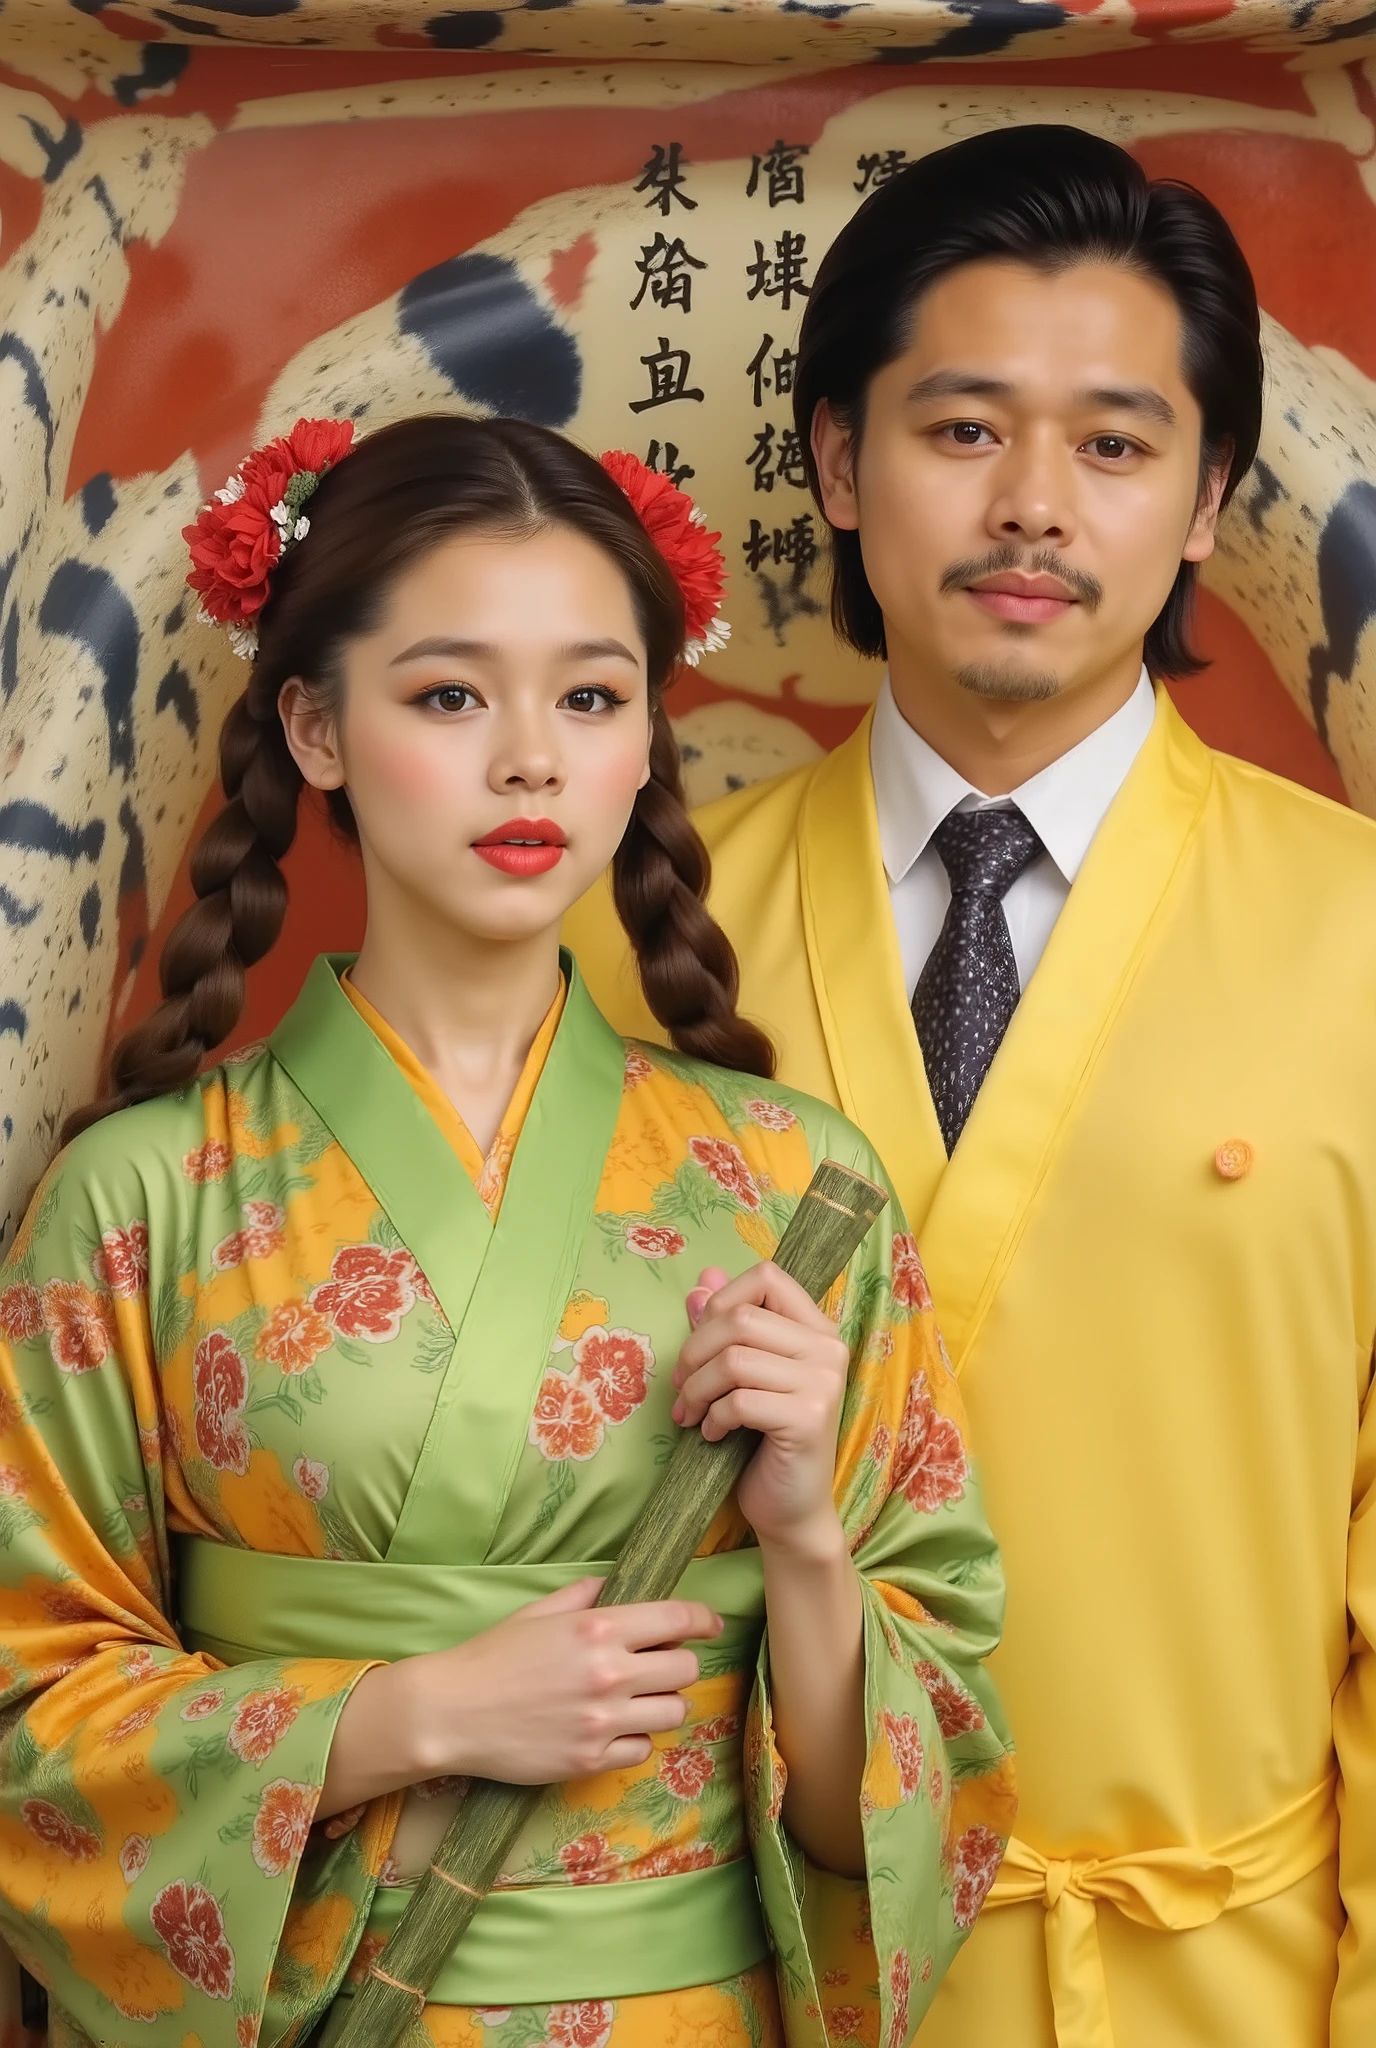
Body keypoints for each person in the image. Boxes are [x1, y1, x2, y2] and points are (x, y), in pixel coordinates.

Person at [0, 413, 1014, 2048]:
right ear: (317, 726)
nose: (532, 757)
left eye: (593, 696)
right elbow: (30, 1727)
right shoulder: (138, 1198)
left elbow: (889, 1822)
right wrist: (409, 1717)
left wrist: (813, 1540)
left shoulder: (794, 1189)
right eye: (452, 695)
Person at [567, 124, 1376, 2048]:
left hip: (1226, 1993)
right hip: (748, 1970)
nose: (1034, 507)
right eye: (961, 430)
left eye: (1113, 443)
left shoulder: (1361, 928)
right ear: (839, 461)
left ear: (1204, 504)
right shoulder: (634, 939)